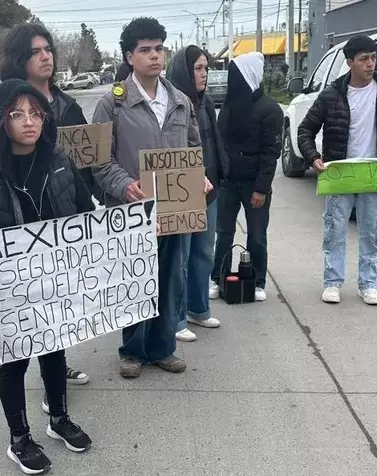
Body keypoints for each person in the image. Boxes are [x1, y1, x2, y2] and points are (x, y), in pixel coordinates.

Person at [0, 79, 94, 475]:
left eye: (35, 113)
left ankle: (59, 419)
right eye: (17, 114)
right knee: (16, 359)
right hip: (10, 286)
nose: (29, 122)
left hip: (56, 280)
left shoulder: (61, 161)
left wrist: (131, 231)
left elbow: (89, 217)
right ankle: (19, 438)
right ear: (0, 121)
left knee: (55, 348)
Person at [92, 17, 210, 378]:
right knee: (134, 279)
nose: (154, 56)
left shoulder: (180, 100)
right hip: (132, 210)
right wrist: (123, 184)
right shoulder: (112, 104)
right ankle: (132, 349)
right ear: (129, 56)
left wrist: (199, 178)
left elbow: (194, 148)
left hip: (175, 211)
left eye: (159, 48)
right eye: (145, 50)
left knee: (170, 276)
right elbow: (98, 161)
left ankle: (162, 347)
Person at [0, 22, 93, 387]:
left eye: (49, 49)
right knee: (21, 349)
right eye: (36, 51)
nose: (46, 56)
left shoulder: (70, 105)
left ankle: (57, 384)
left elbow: (86, 171)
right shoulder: (3, 105)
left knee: (57, 334)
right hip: (19, 254)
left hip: (63, 237)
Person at [297, 35, 377, 305]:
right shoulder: (332, 94)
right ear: (350, 62)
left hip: (376, 170)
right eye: (364, 59)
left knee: (372, 229)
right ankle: (332, 282)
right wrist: (313, 157)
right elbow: (306, 129)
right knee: (335, 228)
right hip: (340, 171)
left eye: (373, 58)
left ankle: (368, 283)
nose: (370, 64)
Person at [166, 46, 229, 342]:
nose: (205, 74)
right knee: (181, 256)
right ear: (184, 70)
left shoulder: (205, 103)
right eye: (199, 68)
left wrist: (219, 173)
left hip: (209, 188)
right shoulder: (173, 104)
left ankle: (198, 308)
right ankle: (176, 318)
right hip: (182, 193)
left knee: (204, 252)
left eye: (206, 67)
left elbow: (213, 144)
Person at [212, 52, 283, 302]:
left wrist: (261, 188)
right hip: (228, 183)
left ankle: (258, 280)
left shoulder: (270, 109)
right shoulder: (229, 107)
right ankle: (217, 277)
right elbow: (220, 143)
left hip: (255, 185)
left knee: (256, 235)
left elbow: (271, 153)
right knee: (223, 232)